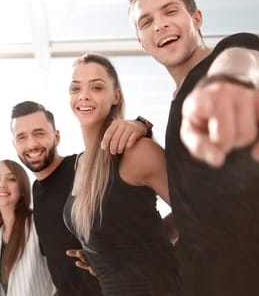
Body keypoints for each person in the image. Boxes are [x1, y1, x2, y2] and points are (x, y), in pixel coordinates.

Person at [127, 0, 259, 295]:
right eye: (146, 21)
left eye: (170, 11)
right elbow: (193, 211)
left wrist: (226, 83)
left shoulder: (236, 50)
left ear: (196, 18)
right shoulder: (175, 114)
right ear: (141, 41)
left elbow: (243, 62)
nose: (160, 24)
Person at [63, 53, 179, 295]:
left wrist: (141, 247)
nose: (83, 95)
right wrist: (107, 250)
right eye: (76, 88)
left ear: (115, 96)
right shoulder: (79, 164)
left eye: (96, 87)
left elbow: (196, 212)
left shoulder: (137, 152)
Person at [10, 100, 154, 295]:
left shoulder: (85, 167)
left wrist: (141, 125)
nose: (32, 144)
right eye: (22, 137)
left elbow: (130, 148)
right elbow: (60, 267)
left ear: (57, 136)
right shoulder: (36, 190)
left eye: (39, 133)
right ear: (14, 145)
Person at [0, 159, 56, 296]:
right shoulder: (0, 232)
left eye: (11, 179)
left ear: (22, 189)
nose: (2, 185)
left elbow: (63, 277)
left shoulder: (37, 223)